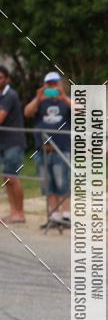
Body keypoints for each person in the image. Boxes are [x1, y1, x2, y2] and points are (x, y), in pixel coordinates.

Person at [24, 71, 72, 227]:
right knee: (47, 184)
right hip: (43, 150)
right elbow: (27, 112)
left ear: (60, 84)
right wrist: (38, 98)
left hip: (61, 148)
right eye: (49, 84)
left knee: (62, 182)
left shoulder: (66, 101)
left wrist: (63, 96)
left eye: (55, 83)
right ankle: (55, 216)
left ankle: (67, 216)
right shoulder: (40, 101)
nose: (52, 87)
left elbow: (81, 110)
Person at [0, 65, 26, 223]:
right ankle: (13, 212)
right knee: (7, 178)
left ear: (7, 79)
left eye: (1, 78)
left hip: (13, 142)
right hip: (4, 143)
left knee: (13, 177)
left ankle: (20, 213)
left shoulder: (10, 95)